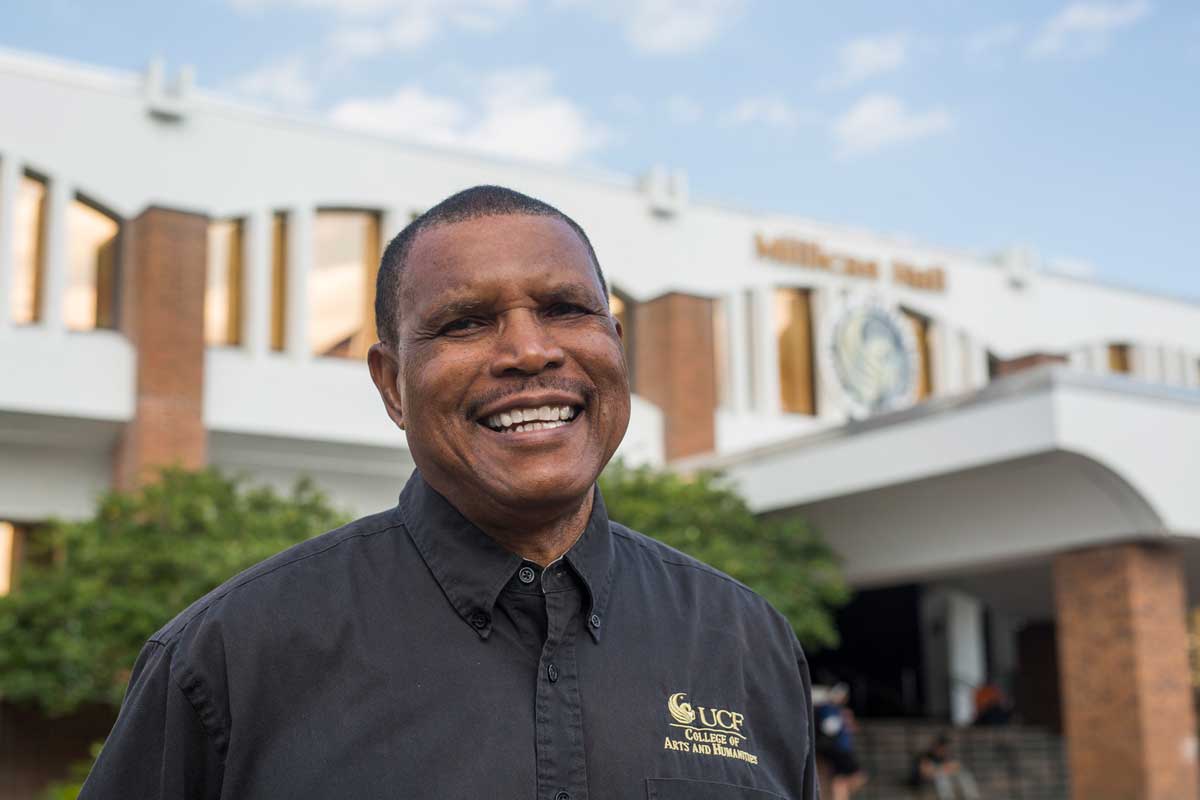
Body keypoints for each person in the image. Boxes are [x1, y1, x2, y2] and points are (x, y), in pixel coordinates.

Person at [79, 186, 820, 799]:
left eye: (565, 309)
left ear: (616, 346)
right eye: (466, 322)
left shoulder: (746, 643)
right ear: (391, 384)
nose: (531, 350)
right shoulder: (228, 659)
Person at [814, 682, 867, 800]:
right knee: (848, 778)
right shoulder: (829, 708)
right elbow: (830, 727)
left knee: (838, 780)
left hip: (838, 748)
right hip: (837, 749)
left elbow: (849, 728)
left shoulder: (838, 709)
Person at [910, 733, 981, 800]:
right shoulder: (925, 755)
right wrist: (943, 769)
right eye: (943, 747)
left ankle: (972, 797)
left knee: (963, 774)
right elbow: (925, 773)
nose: (945, 749)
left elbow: (955, 767)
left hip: (939, 780)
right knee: (942, 777)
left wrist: (946, 769)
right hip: (922, 783)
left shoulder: (944, 757)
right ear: (936, 746)